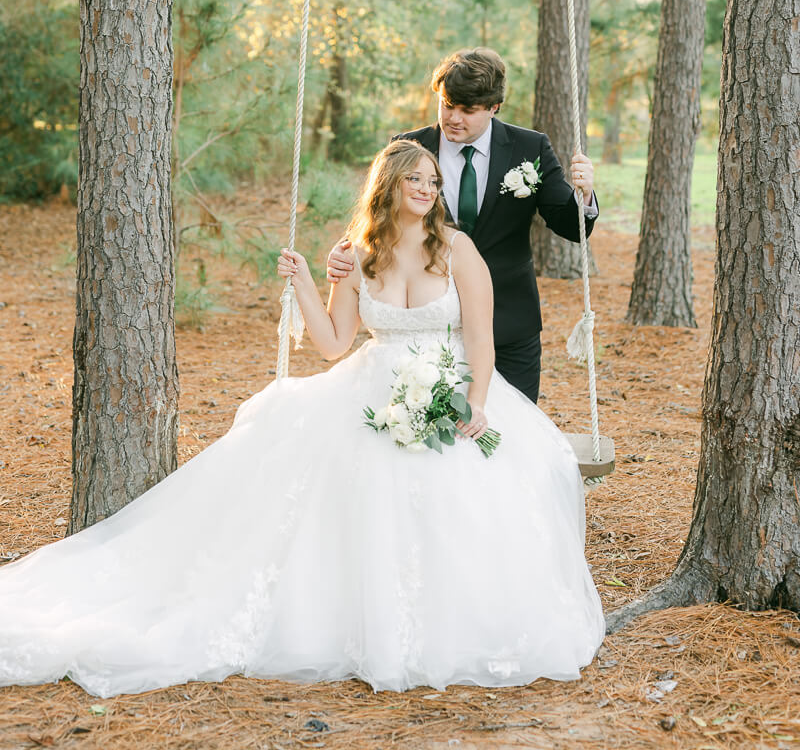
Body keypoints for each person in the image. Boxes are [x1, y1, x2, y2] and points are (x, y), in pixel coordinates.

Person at [0, 141, 604, 697]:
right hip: (374, 393)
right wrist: (308, 283)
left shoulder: (460, 249)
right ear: (388, 185)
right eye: (413, 179)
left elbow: (480, 341)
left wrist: (474, 403)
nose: (426, 188)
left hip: (453, 386)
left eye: (431, 180)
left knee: (485, 488)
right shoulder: (362, 252)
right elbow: (335, 342)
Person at [328, 47, 598, 403]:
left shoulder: (528, 148)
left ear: (493, 107)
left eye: (467, 110)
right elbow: (381, 214)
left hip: (508, 324)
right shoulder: (409, 147)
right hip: (431, 330)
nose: (453, 118)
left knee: (507, 438)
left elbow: (569, 225)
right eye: (447, 104)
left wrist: (585, 194)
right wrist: (348, 251)